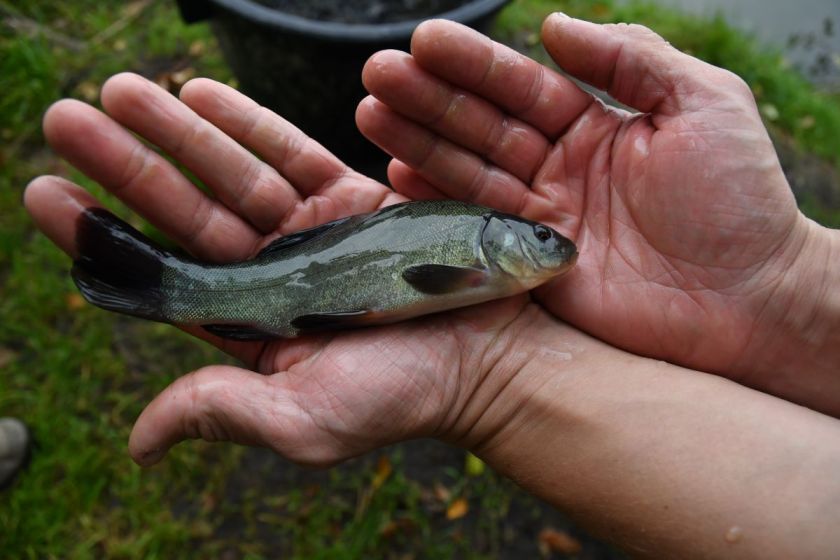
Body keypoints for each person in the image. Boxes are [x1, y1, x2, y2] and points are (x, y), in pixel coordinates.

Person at [23, 13, 840, 559]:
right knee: (235, 278)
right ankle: (168, 282)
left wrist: (781, 281)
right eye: (545, 241)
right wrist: (786, 288)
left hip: (313, 280)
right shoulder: (475, 265)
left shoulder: (480, 265)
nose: (561, 249)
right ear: (499, 247)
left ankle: (169, 283)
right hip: (308, 280)